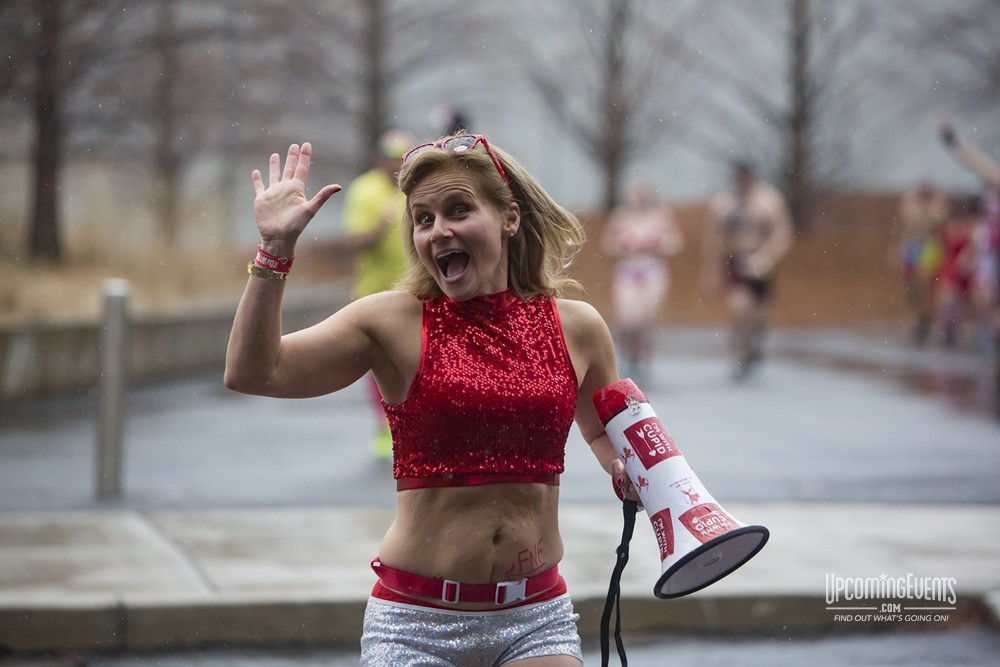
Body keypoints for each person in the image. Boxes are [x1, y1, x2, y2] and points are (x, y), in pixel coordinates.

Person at [225, 134, 637, 665]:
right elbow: (256, 372)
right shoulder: (391, 321)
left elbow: (601, 427)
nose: (438, 230)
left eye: (459, 210)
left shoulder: (577, 327)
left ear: (509, 218)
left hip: (536, 616)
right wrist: (275, 250)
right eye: (423, 219)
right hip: (415, 622)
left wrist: (624, 467)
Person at [337, 129, 415, 459]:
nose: (396, 166)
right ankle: (386, 424)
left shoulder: (417, 186)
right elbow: (353, 241)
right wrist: (379, 227)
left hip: (416, 290)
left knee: (415, 358)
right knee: (379, 361)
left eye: (402, 159)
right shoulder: (364, 190)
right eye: (390, 159)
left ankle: (411, 421)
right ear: (379, 159)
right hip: (374, 291)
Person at [700, 161, 794, 380]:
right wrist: (711, 271)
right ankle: (739, 353)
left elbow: (783, 234)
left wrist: (767, 257)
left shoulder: (770, 200)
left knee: (759, 313)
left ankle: (754, 344)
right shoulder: (723, 204)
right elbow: (713, 240)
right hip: (736, 260)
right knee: (738, 308)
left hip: (762, 260)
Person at [601, 182, 684, 382]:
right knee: (628, 319)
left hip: (652, 270)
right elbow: (607, 245)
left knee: (646, 319)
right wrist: (624, 246)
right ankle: (627, 352)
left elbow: (676, 242)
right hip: (628, 270)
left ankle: (643, 355)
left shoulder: (661, 215)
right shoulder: (620, 216)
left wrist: (657, 243)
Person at [893, 179, 948, 345]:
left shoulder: (936, 211)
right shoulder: (912, 210)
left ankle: (926, 315)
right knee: (911, 284)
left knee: (925, 283)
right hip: (914, 245)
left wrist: (934, 196)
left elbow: (941, 216)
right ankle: (922, 313)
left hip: (929, 246)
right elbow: (906, 213)